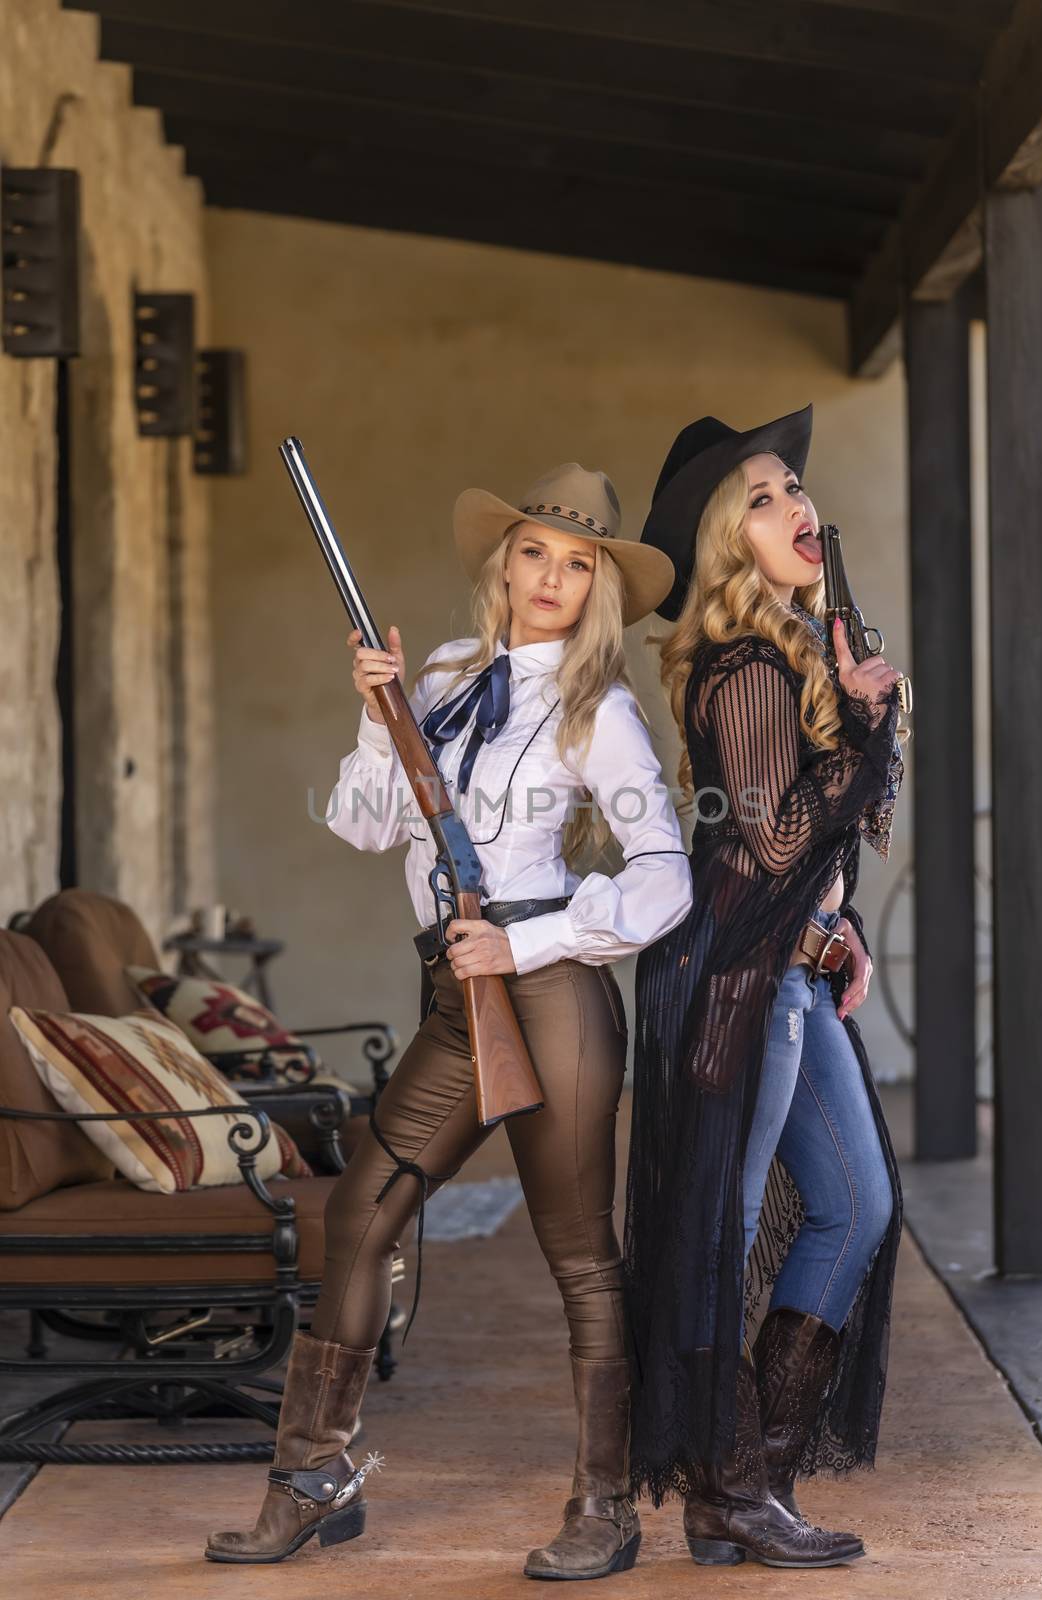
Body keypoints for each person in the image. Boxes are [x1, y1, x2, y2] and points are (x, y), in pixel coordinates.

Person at [206, 462, 692, 1579]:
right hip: (451, 997)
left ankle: (603, 1507)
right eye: (535, 553)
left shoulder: (599, 709)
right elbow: (367, 827)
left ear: (596, 589)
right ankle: (313, 1480)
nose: (551, 579)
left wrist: (523, 943)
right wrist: (379, 718)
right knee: (358, 1218)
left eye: (577, 566)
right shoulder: (437, 674)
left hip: (551, 990)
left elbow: (665, 874)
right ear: (503, 561)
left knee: (578, 1255)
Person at [625, 406, 905, 1569]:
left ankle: (753, 1475)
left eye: (791, 485)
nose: (793, 506)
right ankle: (728, 1486)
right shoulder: (743, 666)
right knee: (721, 1227)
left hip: (786, 973)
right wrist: (863, 727)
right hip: (736, 985)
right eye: (756, 497)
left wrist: (834, 934)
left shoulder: (796, 657)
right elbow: (779, 841)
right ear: (720, 546)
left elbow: (824, 857)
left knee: (855, 1208)